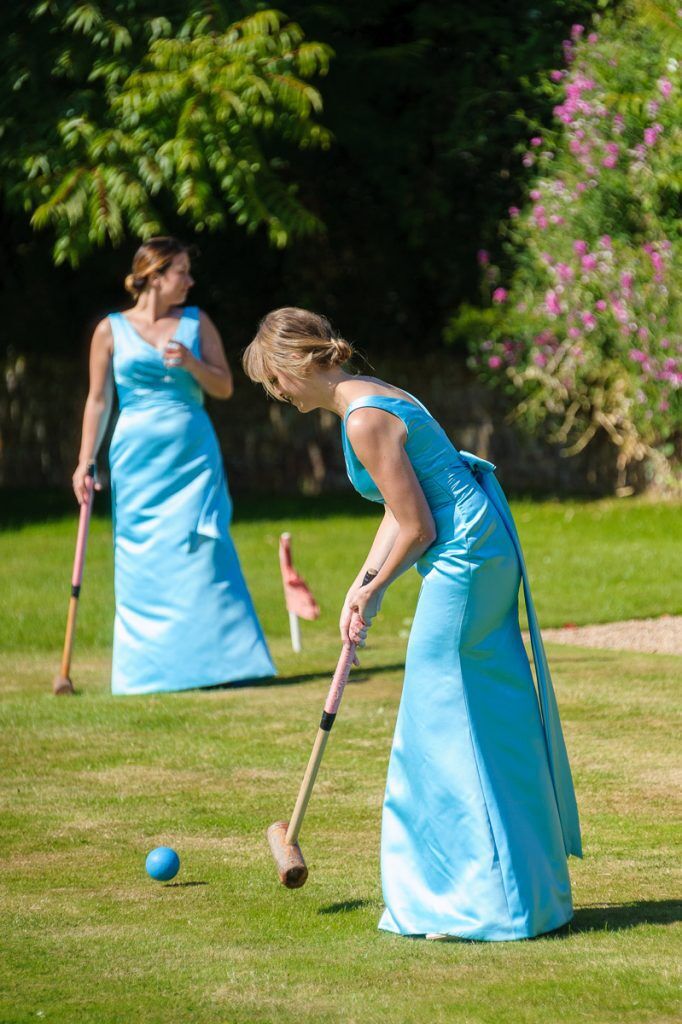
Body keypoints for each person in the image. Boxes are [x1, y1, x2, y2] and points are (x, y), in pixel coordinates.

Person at [243, 306, 582, 942]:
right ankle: (522, 896)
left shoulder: (366, 419)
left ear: (295, 364)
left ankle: (475, 903)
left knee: (439, 721)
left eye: (273, 379)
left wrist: (375, 594)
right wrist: (361, 582)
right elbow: (404, 508)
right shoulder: (375, 398)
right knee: (483, 715)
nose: (275, 393)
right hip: (481, 547)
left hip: (464, 559)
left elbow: (420, 526)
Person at [73, 237, 275, 694]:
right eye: (180, 271)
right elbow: (99, 400)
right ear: (154, 275)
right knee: (143, 558)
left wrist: (191, 363)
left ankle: (222, 666)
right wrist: (86, 460)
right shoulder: (110, 330)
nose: (189, 280)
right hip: (136, 460)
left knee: (204, 545)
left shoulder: (196, 322)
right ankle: (150, 673)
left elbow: (224, 386)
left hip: (192, 457)